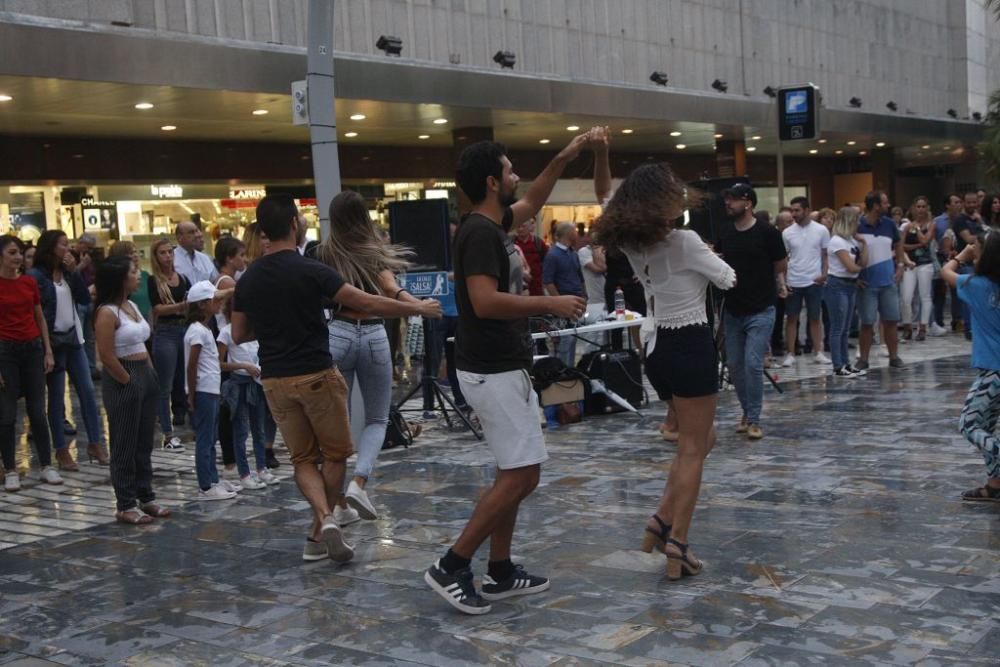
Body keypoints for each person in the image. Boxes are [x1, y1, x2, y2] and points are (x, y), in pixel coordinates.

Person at [423, 135, 589, 615]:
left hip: (501, 365)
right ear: (492, 182)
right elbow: (484, 301)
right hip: (491, 369)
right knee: (522, 474)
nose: (518, 178)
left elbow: (535, 197)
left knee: (513, 471)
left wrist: (565, 154)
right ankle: (452, 563)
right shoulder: (478, 233)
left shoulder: (493, 223)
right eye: (511, 171)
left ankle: (499, 571)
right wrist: (550, 303)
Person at [231, 194, 441, 564]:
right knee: (337, 454)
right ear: (295, 224)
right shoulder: (310, 270)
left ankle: (323, 524)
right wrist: (416, 307)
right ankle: (325, 521)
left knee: (302, 459)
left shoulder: (249, 280)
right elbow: (370, 302)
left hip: (275, 382)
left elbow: (238, 335)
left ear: (262, 231)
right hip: (315, 374)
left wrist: (270, 326)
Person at [596, 162, 735, 580]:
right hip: (691, 343)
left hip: (657, 350)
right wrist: (708, 259)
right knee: (693, 448)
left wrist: (602, 152)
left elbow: (604, 195)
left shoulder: (633, 244)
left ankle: (659, 521)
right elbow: (728, 280)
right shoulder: (687, 240)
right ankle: (678, 544)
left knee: (701, 438)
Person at [314, 190, 421, 524]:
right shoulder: (375, 253)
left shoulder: (323, 252)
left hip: (339, 332)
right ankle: (359, 483)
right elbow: (390, 289)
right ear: (364, 217)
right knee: (376, 419)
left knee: (338, 423)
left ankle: (336, 509)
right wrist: (415, 303)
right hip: (374, 334)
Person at [94, 255, 169, 523]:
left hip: (144, 372)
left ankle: (145, 495)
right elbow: (106, 354)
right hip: (124, 376)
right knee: (124, 442)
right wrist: (127, 379)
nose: (138, 275)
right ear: (120, 279)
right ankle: (125, 502)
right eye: (133, 272)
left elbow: (141, 343)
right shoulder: (107, 312)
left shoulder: (132, 305)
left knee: (144, 441)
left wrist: (150, 374)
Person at [29, 230, 108, 471]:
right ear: (51, 248)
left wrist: (75, 272)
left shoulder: (67, 273)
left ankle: (95, 443)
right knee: (55, 398)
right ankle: (61, 450)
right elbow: (38, 312)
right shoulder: (37, 276)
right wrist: (44, 348)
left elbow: (84, 299)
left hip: (73, 339)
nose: (68, 248)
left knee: (87, 391)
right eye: (63, 245)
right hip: (53, 342)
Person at [716, 184, 788, 440]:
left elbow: (780, 262)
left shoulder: (767, 232)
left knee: (753, 363)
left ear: (747, 202)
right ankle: (747, 413)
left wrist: (780, 284)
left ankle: (755, 418)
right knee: (734, 365)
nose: (728, 204)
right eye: (727, 199)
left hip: (761, 307)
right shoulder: (725, 231)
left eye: (733, 200)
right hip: (733, 309)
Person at [942, 236, 1000, 501]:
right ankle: (995, 486)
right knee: (985, 426)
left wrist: (961, 256)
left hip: (993, 370)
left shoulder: (976, 286)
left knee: (968, 424)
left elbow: (945, 273)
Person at [0, 236, 57, 491]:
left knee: (37, 411)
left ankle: (46, 465)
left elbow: (40, 318)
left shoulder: (29, 282)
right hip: (5, 351)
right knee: (7, 414)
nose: (18, 257)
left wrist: (47, 350)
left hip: (32, 347)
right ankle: (11, 468)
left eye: (20, 253)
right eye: (12, 253)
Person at [217, 295, 276, 490]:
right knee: (241, 430)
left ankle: (261, 468)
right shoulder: (226, 333)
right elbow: (220, 363)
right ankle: (244, 473)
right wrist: (243, 366)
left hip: (256, 383)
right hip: (240, 383)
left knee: (258, 428)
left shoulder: (254, 331)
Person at [184, 280, 235, 500]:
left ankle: (213, 478)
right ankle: (205, 485)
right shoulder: (197, 331)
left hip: (211, 389)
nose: (218, 304)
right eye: (214, 301)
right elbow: (192, 365)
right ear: (202, 305)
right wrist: (192, 395)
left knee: (211, 437)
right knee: (205, 439)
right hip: (204, 389)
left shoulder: (204, 329)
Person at [148, 237, 191, 449]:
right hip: (166, 331)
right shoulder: (154, 280)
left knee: (184, 378)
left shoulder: (181, 277)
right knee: (165, 383)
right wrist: (181, 306)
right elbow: (157, 308)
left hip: (184, 328)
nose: (167, 256)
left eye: (169, 252)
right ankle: (167, 431)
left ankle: (188, 417)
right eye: (162, 253)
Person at [855, 190, 905, 370]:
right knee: (867, 322)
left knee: (891, 320)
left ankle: (894, 356)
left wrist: (900, 265)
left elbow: (898, 244)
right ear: (875, 206)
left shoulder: (890, 224)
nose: (888, 205)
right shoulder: (857, 225)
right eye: (884, 203)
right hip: (867, 282)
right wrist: (855, 277)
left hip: (888, 280)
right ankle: (863, 359)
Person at [781, 196, 830, 366]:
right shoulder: (787, 233)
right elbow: (784, 259)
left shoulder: (822, 230)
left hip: (814, 279)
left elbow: (825, 254)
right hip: (794, 279)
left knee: (815, 317)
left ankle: (818, 351)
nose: (793, 213)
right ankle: (791, 353)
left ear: (807, 210)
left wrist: (824, 274)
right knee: (792, 318)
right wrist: (783, 280)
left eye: (797, 210)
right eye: (792, 210)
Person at [826, 207, 869, 377]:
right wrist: (859, 269)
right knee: (837, 327)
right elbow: (850, 267)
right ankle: (838, 365)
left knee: (845, 328)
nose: (858, 223)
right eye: (856, 220)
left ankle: (846, 363)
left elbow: (864, 262)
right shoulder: (836, 241)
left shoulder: (851, 241)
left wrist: (864, 243)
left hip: (850, 285)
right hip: (837, 284)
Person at [542, 221, 586, 368]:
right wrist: (558, 302)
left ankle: (570, 369)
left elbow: (579, 276)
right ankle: (562, 371)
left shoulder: (572, 253)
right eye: (574, 231)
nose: (576, 234)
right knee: (564, 340)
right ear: (569, 234)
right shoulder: (553, 255)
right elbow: (548, 281)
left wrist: (584, 294)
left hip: (576, 301)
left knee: (573, 338)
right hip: (564, 303)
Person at [899, 196, 935, 341]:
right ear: (913, 208)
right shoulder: (906, 226)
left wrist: (918, 229)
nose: (920, 209)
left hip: (925, 263)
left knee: (924, 296)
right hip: (909, 263)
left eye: (923, 206)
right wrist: (917, 245)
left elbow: (926, 241)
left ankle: (923, 327)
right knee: (906, 297)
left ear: (927, 208)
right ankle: (907, 326)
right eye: (918, 206)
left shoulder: (932, 224)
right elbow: (901, 246)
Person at [953, 191, 986, 340]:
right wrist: (983, 233)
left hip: (981, 261)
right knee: (968, 296)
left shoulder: (979, 219)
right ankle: (969, 328)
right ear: (964, 203)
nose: (972, 205)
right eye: (969, 202)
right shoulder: (960, 220)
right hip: (966, 262)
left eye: (975, 202)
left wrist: (980, 223)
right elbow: (968, 238)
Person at [932, 194, 963, 334]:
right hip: (940, 259)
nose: (959, 204)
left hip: (958, 259)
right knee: (939, 293)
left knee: (957, 291)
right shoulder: (938, 221)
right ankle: (937, 322)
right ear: (947, 205)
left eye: (959, 202)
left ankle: (957, 320)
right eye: (955, 202)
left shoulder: (963, 220)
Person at [74, 233, 100, 380]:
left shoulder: (91, 260)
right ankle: (80, 370)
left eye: (92, 249)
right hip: (78, 301)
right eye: (88, 247)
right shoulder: (71, 257)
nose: (89, 251)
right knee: (80, 338)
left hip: (90, 300)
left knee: (89, 337)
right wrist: (82, 264)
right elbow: (71, 276)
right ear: (80, 243)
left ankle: (91, 367)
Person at [108, 241, 152, 322]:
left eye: (135, 252)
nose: (135, 255)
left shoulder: (146, 275)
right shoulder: (115, 280)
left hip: (146, 321)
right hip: (126, 320)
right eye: (130, 253)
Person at [173, 221, 218, 285]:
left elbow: (216, 281)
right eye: (191, 232)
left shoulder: (204, 258)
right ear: (179, 237)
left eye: (197, 231)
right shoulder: (171, 259)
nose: (197, 235)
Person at [513, 218, 548, 297]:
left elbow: (547, 263)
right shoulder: (512, 243)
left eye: (523, 226)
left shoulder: (538, 243)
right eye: (518, 227)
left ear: (530, 227)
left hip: (536, 288)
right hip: (518, 288)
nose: (520, 229)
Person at [577, 237, 607, 326]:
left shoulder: (606, 250)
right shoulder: (584, 251)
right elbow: (599, 269)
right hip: (593, 299)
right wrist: (597, 250)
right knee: (595, 333)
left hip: (608, 296)